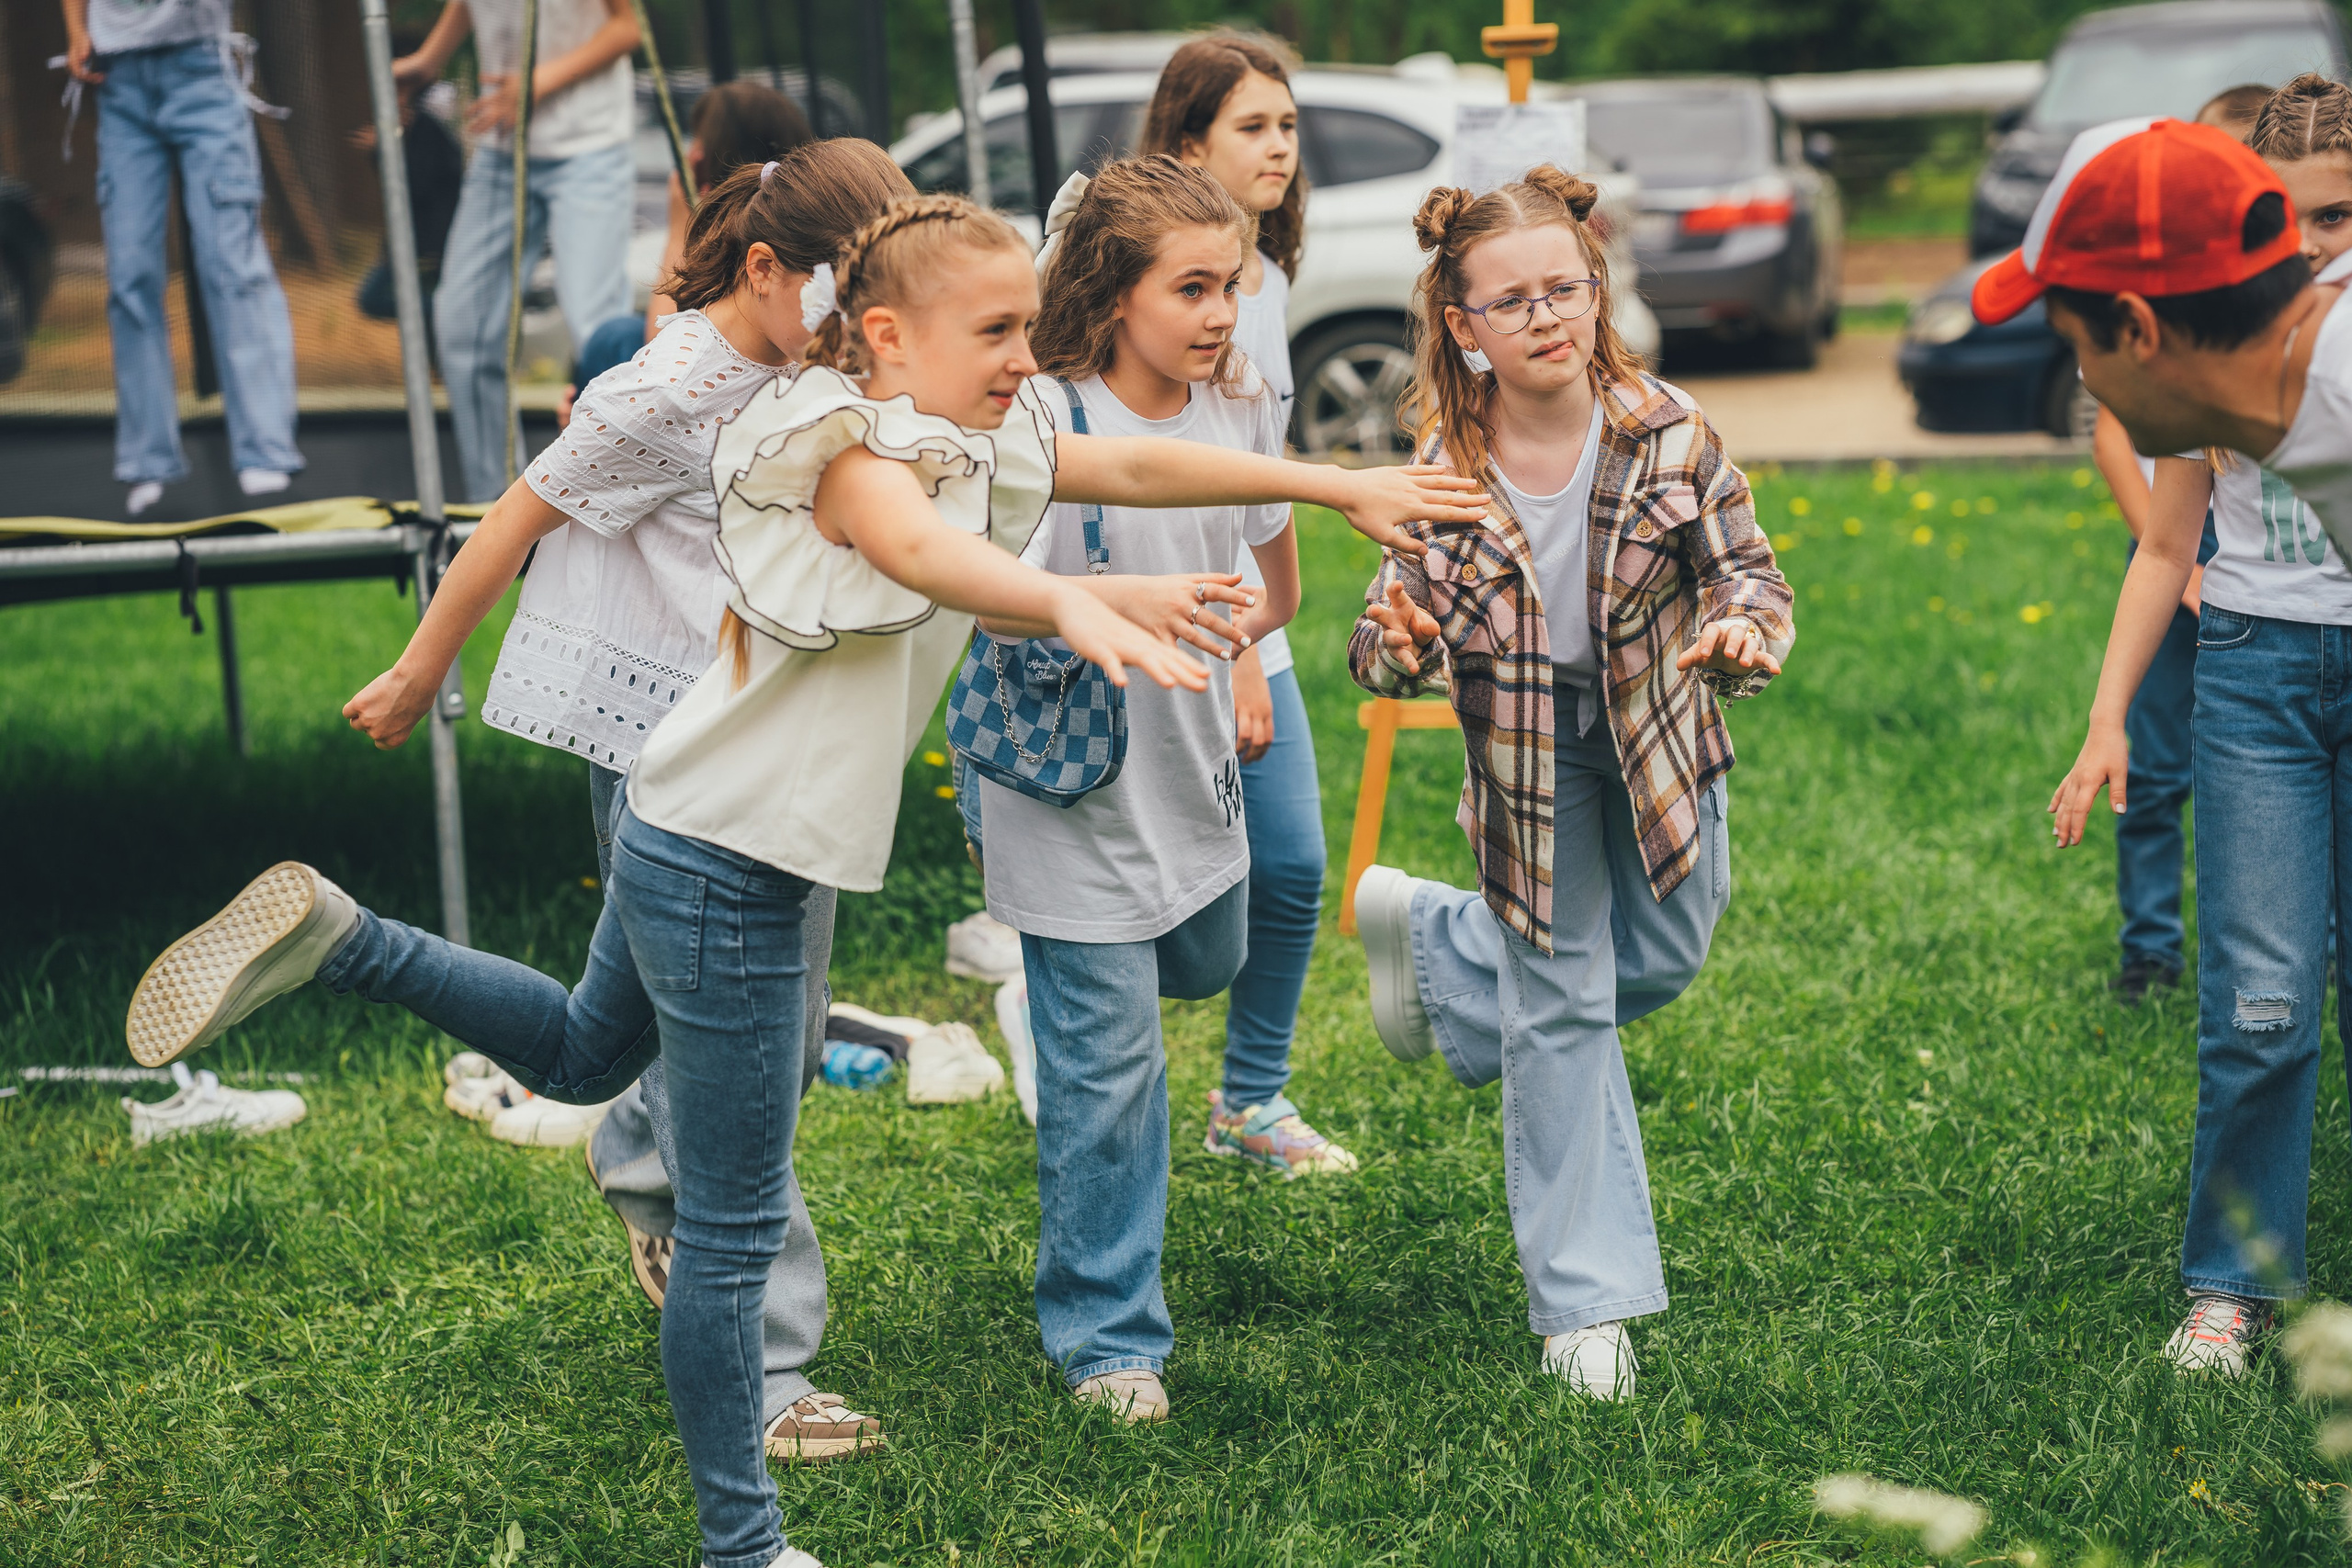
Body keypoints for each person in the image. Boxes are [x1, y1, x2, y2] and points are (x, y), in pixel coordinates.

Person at [120, 189, 1479, 1568]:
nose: (1027, 353)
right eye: (996, 327)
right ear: (885, 334)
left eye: (1026, 324)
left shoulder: (972, 429)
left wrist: (1328, 484)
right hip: (732, 870)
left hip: (686, 827)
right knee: (729, 1227)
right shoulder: (824, 437)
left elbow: (1121, 472)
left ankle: (342, 936)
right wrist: (1071, 598)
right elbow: (905, 541)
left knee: (589, 1051)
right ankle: (744, 1545)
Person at [1350, 165, 1792, 1401]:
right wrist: (1397, 643)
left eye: (1566, 289)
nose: (1546, 315)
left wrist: (1743, 634)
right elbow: (1385, 626)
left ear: (1598, 295)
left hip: (1658, 737)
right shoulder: (1442, 467)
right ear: (1464, 328)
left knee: (1658, 957)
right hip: (1527, 761)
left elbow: (1750, 575)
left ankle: (1438, 943)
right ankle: (1585, 1306)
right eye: (1513, 300)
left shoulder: (1669, 430)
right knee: (1563, 1007)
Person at [977, 156, 1304, 1424]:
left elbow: (1274, 578)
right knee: (1114, 1073)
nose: (1223, 312)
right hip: (1065, 778)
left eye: (1234, 283)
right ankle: (1109, 1336)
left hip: (1190, 768)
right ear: (1114, 292)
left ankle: (1053, 1013)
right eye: (1194, 287)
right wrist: (1098, 616)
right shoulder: (1041, 416)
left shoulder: (1238, 407)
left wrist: (1241, 646)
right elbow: (981, 591)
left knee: (1208, 959)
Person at [2050, 73, 2352, 1380]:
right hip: (2252, 673)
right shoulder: (2219, 342)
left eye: (2341, 217)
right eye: (2297, 225)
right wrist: (2109, 716)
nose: (2321, 250)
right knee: (2261, 1001)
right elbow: (2166, 542)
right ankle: (2234, 1281)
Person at [1129, 31, 1358, 1178]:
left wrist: (1253, 640)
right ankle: (1062, 1005)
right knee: (1163, 904)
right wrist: (1223, 652)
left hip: (1242, 616)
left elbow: (1255, 484)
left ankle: (1250, 1098)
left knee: (1296, 865)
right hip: (1158, 615)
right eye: (1252, 127)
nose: (1280, 148)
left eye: (1287, 126)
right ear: (1185, 144)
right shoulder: (1122, 287)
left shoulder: (1267, 278)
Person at [2089, 85, 2256, 1004]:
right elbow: (2116, 435)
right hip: (2170, 555)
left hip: (2263, 582)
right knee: (2149, 771)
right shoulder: (2157, 294)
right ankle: (2149, 949)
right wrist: (2180, 567)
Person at [60, 0, 303, 517]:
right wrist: (76, 27)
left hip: (200, 68)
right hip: (117, 76)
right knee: (130, 277)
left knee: (232, 266)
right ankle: (148, 460)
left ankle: (264, 449)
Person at [394, 0, 639, 502]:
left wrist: (534, 83)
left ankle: (618, 497)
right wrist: (428, 61)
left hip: (588, 144)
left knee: (596, 329)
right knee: (462, 325)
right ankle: (498, 511)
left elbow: (627, 27)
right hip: (501, 149)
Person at [560, 79, 814, 423]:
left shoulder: (743, 247)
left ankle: (587, 435)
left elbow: (662, 353)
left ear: (701, 162)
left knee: (616, 338)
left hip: (730, 399)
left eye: (696, 143)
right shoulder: (796, 230)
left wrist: (680, 226)